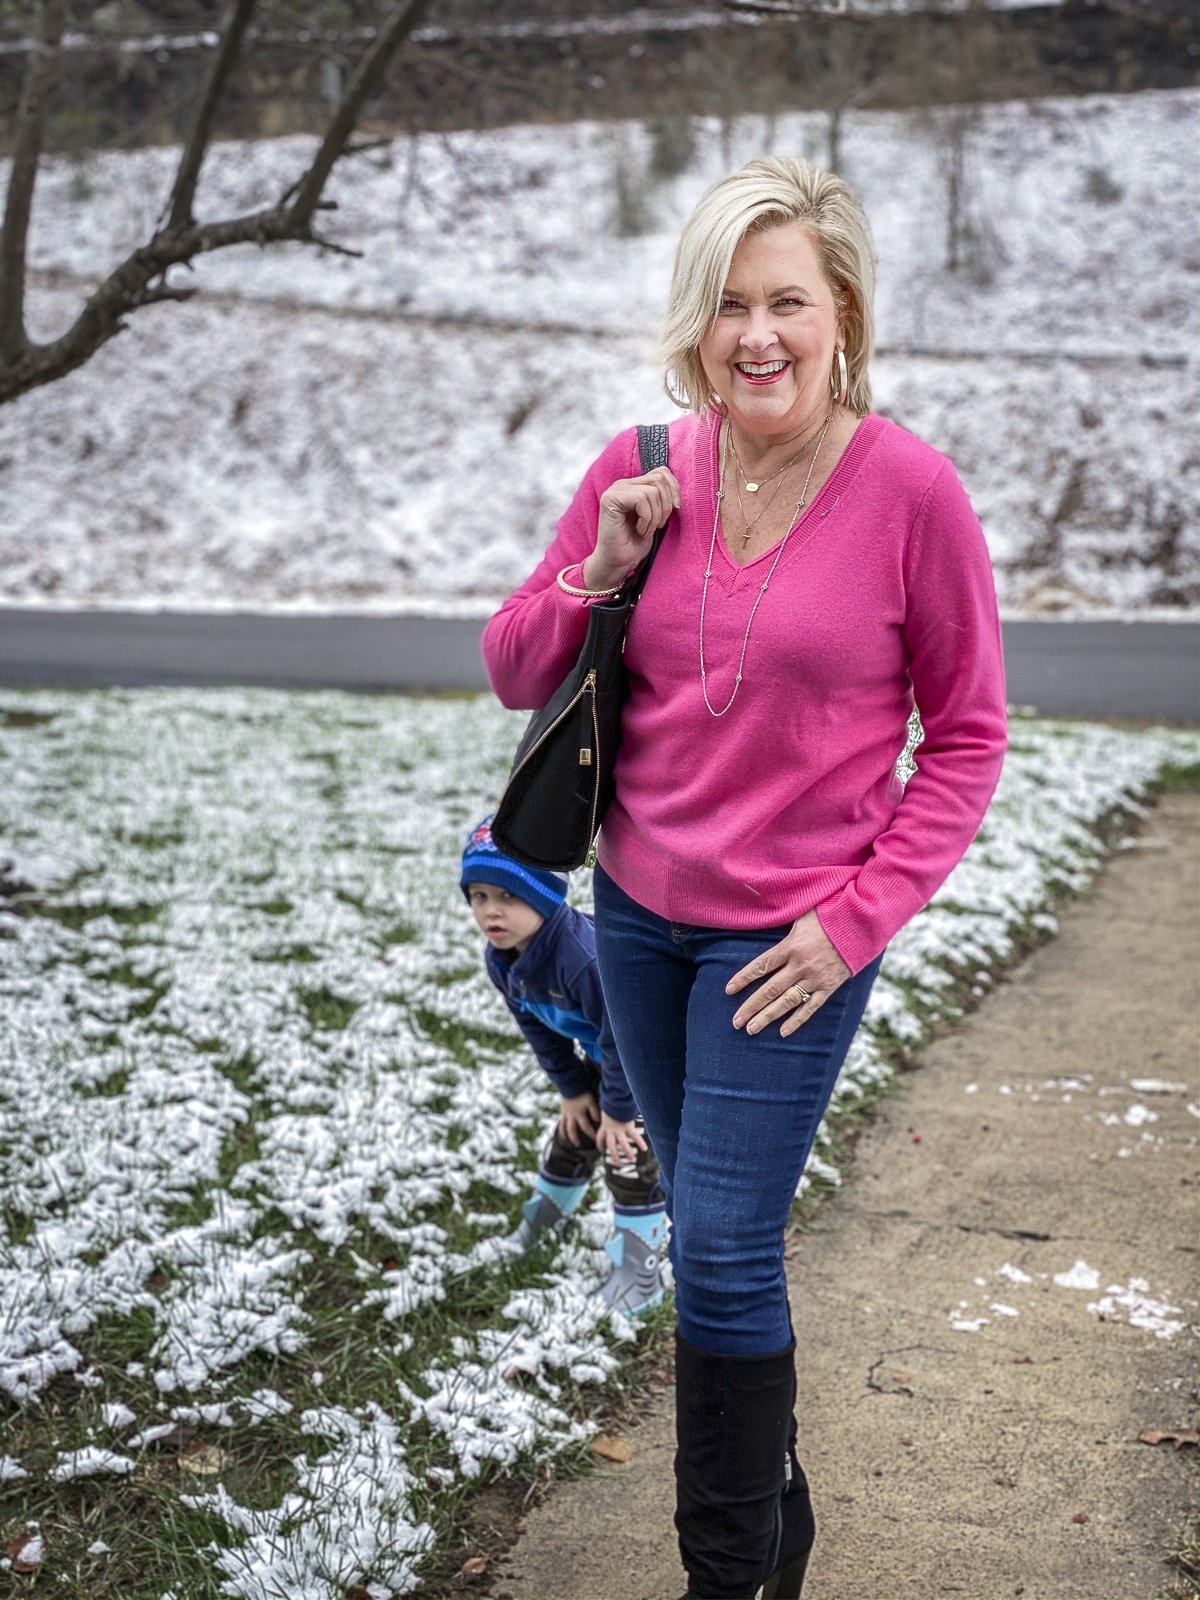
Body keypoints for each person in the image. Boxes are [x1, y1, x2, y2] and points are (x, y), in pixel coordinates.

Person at [481, 156, 1007, 1599]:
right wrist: (600, 561)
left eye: (787, 301)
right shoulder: (645, 464)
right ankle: (770, 1496)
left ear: (842, 313)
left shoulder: (912, 495)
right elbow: (514, 663)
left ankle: (731, 1576)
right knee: (708, 1238)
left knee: (717, 1255)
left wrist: (856, 922)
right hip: (638, 920)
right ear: (697, 323)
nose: (756, 334)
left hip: (793, 943)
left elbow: (966, 739)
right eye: (729, 305)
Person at [460, 815, 668, 1317]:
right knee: (575, 1133)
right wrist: (573, 1090)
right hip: (608, 1061)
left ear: (546, 895)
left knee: (628, 1154)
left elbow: (625, 1035)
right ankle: (542, 1224)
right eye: (479, 896)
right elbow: (539, 1029)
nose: (492, 912)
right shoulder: (503, 958)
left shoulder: (582, 959)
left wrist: (618, 1110)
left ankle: (641, 1273)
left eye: (509, 896)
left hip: (654, 1060)